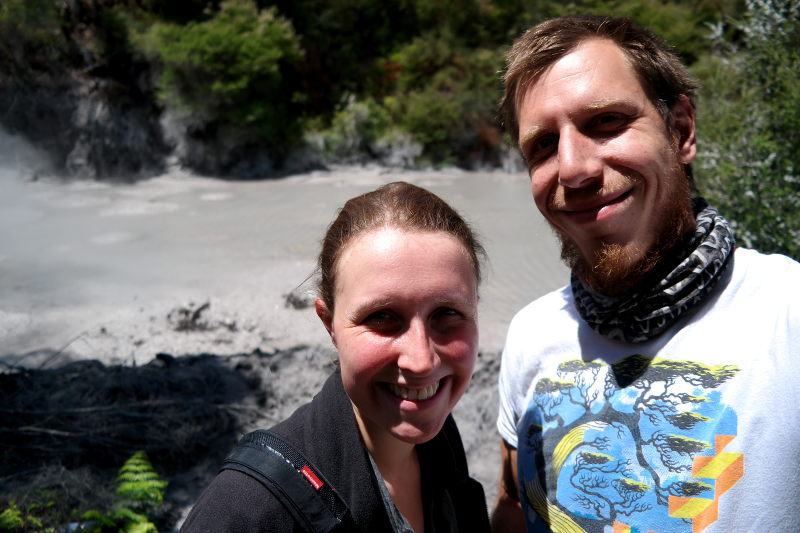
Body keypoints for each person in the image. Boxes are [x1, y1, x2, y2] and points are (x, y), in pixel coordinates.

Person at [492, 14, 800, 533]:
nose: (573, 169)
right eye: (543, 145)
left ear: (681, 130)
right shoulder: (530, 334)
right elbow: (512, 505)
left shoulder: (787, 311)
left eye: (606, 121)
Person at [182, 181, 491, 532]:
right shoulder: (245, 513)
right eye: (381, 317)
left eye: (448, 313)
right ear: (329, 323)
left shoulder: (440, 441)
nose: (421, 361)